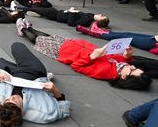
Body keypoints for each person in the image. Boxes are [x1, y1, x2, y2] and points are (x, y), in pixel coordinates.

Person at [15, 18, 155, 90]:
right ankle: (30, 28)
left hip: (68, 53)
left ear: (124, 77)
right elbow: (117, 57)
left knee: (39, 40)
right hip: (77, 46)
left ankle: (24, 30)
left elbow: (77, 66)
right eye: (135, 67)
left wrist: (92, 56)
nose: (131, 66)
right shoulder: (122, 64)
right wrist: (127, 56)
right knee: (49, 36)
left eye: (132, 70)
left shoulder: (106, 73)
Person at [0, 42, 70, 127]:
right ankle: (46, 76)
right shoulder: (42, 113)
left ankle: (18, 66)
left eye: (8, 100)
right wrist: (55, 90)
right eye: (15, 101)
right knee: (17, 46)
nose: (12, 98)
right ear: (22, 111)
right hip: (35, 73)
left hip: (12, 74)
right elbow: (63, 111)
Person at [76, 24, 158, 54]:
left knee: (124, 36)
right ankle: (101, 32)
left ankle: (96, 33)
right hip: (154, 40)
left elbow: (153, 51)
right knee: (126, 34)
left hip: (153, 44)